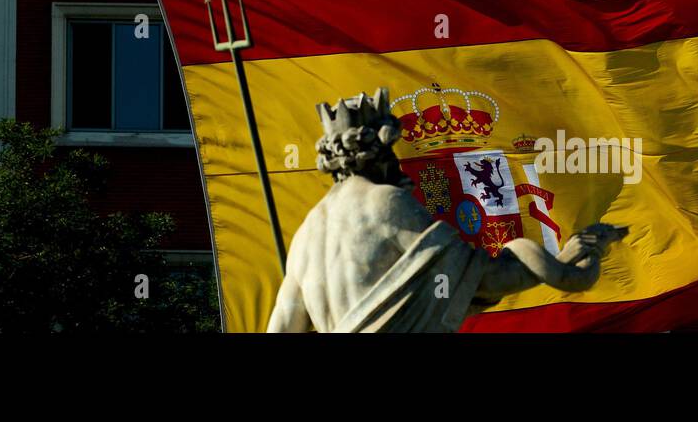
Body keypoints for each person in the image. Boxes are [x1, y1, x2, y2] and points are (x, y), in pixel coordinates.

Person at [266, 89, 626, 332]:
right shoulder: (386, 203)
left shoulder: (306, 235)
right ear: (380, 150)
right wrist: (567, 258)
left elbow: (281, 327)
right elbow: (481, 277)